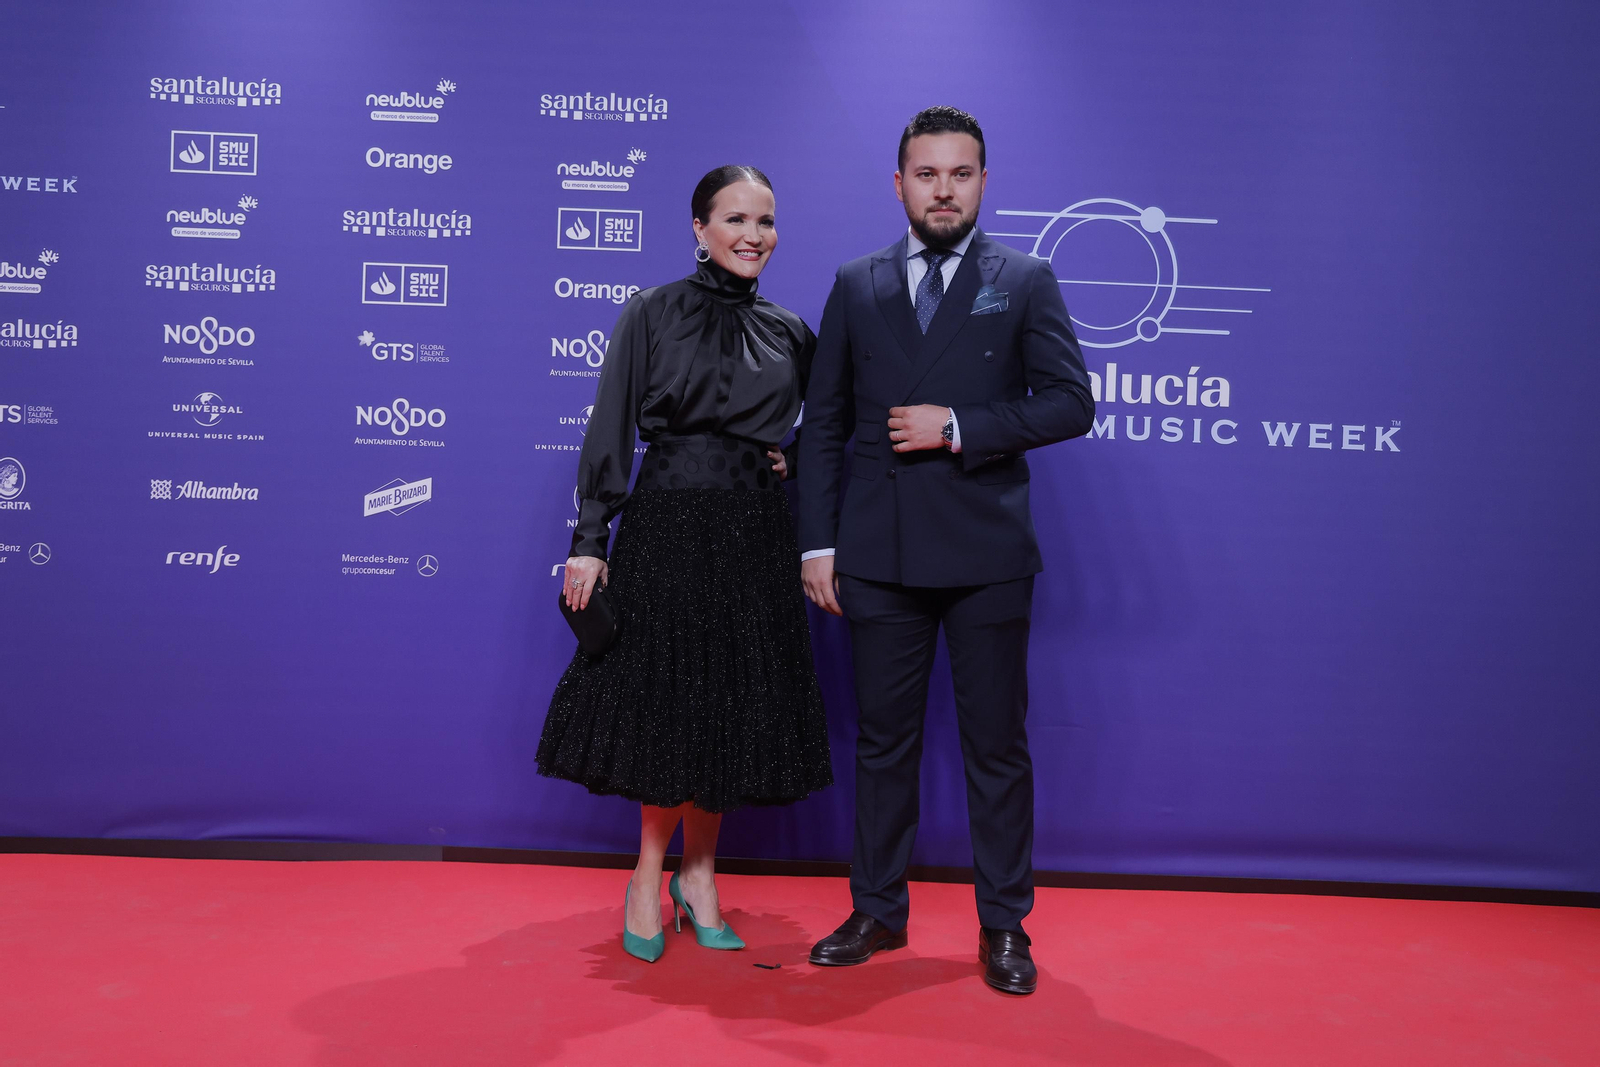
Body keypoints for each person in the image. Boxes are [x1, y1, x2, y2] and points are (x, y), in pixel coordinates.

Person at [797, 107, 1094, 995]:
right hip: (877, 553)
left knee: (995, 746)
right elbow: (826, 429)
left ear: (983, 182)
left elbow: (1070, 403)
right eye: (926, 174)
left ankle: (1005, 923)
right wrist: (818, 543)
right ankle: (878, 909)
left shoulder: (1027, 276)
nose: (943, 189)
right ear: (899, 185)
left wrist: (959, 425)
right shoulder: (857, 282)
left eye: (960, 174)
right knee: (883, 743)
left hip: (987, 552)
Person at [537, 165, 832, 963]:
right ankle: (646, 875)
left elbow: (838, 425)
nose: (752, 235)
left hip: (754, 533)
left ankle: (700, 875)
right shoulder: (651, 313)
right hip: (667, 526)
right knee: (671, 705)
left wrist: (793, 460)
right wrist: (589, 542)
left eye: (765, 221)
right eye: (735, 218)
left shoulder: (789, 330)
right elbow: (608, 432)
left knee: (731, 704)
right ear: (698, 229)